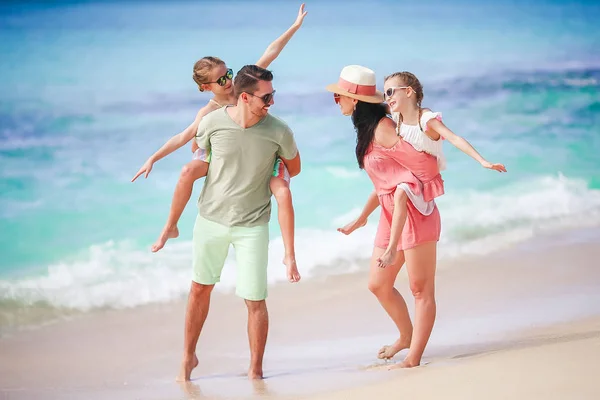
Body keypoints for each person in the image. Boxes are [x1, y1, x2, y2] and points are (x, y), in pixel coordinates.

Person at [131, 4, 307, 275]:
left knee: (283, 192)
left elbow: (269, 53)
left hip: (258, 147)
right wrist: (153, 158)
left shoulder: (243, 86)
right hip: (220, 152)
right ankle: (170, 226)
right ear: (205, 87)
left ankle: (289, 255)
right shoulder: (209, 112)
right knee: (188, 169)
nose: (227, 81)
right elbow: (183, 137)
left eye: (227, 74)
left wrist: (294, 27)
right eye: (219, 80)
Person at [177, 65, 300, 381]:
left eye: (273, 95)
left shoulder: (279, 130)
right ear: (244, 97)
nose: (271, 102)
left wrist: (276, 177)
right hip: (211, 220)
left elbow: (294, 168)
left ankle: (255, 370)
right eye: (266, 97)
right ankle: (188, 358)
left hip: (253, 225)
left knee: (255, 299)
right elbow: (198, 151)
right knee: (198, 290)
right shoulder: (212, 123)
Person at [327, 65, 441, 368]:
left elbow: (425, 166)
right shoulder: (367, 129)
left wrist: (409, 190)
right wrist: (361, 217)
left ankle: (413, 358)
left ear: (354, 100)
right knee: (378, 284)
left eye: (339, 96)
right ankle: (406, 336)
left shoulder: (383, 129)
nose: (336, 101)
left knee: (421, 289)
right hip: (390, 217)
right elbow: (384, 182)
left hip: (415, 214)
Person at [373, 71, 506, 267]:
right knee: (390, 189)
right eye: (385, 94)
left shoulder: (426, 120)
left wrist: (482, 161)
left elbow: (454, 138)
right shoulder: (397, 117)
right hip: (408, 173)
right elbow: (372, 105)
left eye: (391, 92)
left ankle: (391, 249)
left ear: (408, 92)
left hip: (424, 180)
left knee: (401, 192)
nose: (388, 98)